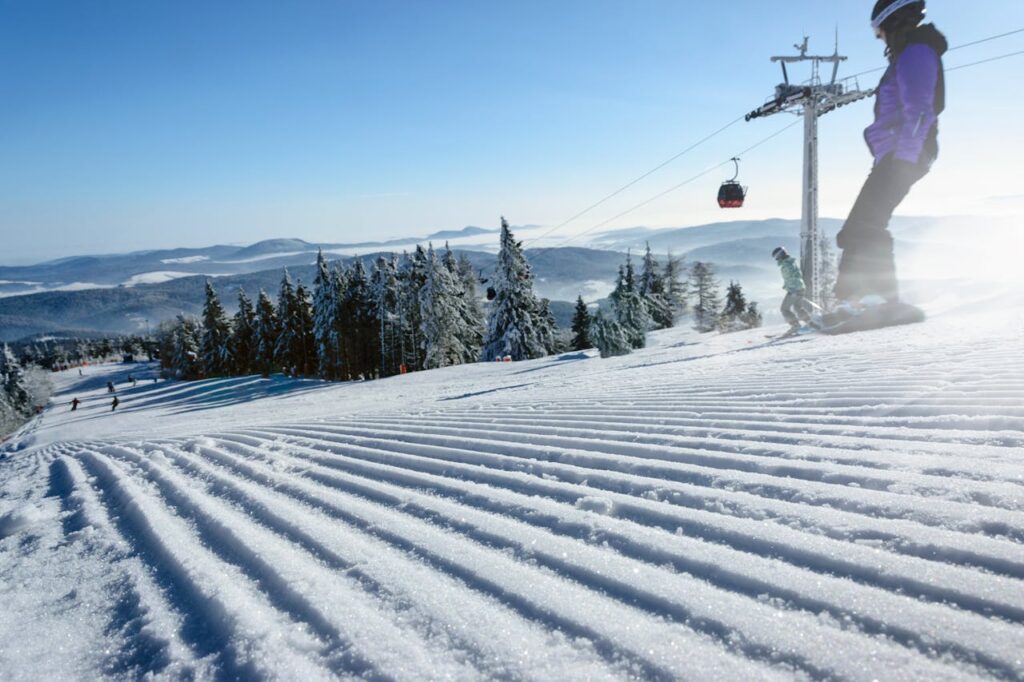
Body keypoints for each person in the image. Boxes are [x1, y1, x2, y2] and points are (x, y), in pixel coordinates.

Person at [835, 0, 946, 306]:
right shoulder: (909, 54)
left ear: (895, 21)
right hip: (897, 154)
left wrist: (903, 157)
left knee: (867, 224)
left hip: (906, 154)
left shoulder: (917, 53)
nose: (878, 37)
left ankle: (879, 300)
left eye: (879, 30)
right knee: (857, 228)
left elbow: (921, 111)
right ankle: (851, 300)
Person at [773, 247, 818, 331]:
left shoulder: (787, 264)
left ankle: (795, 326)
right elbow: (796, 275)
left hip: (794, 290)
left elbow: (794, 277)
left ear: (780, 255)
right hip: (800, 288)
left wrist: (793, 290)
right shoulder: (790, 262)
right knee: (798, 308)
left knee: (784, 309)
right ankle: (810, 322)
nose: (776, 259)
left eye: (776, 257)